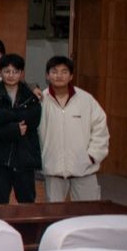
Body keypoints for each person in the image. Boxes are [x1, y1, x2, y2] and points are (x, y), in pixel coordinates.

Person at [38, 56, 109, 202]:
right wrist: (41, 159)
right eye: (54, 71)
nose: (59, 75)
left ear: (71, 76)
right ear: (47, 75)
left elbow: (100, 128)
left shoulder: (86, 99)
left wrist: (92, 156)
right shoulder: (40, 100)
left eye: (64, 72)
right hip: (53, 170)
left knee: (88, 212)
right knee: (54, 213)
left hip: (84, 169)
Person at [0, 54, 41, 204]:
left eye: (15, 71)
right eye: (7, 71)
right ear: (0, 72)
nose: (11, 75)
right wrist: (14, 129)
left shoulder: (31, 95)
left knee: (27, 203)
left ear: (21, 73)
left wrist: (2, 116)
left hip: (24, 157)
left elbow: (32, 121)